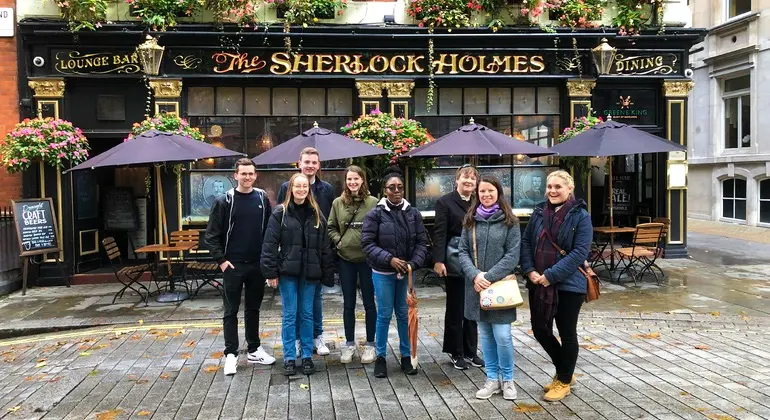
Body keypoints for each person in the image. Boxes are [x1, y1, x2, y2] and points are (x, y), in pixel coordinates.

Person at [520, 170, 592, 402]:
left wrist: (550, 275)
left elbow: (580, 252)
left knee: (567, 332)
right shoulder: (539, 212)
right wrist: (530, 270)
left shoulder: (580, 216)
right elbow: (526, 242)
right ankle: (566, 371)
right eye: (549, 186)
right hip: (538, 282)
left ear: (569, 189)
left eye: (558, 187)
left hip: (569, 284)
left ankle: (563, 380)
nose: (552, 190)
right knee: (540, 329)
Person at [203, 158, 276, 376]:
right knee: (231, 311)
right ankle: (231, 355)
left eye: (250, 173)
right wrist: (222, 261)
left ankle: (254, 349)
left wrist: (267, 261)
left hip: (256, 264)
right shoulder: (224, 200)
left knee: (253, 309)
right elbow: (211, 235)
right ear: (235, 176)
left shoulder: (262, 198)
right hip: (232, 265)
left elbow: (269, 233)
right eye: (243, 173)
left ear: (255, 175)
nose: (247, 177)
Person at [261, 173, 335, 376]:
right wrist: (270, 272)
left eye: (305, 186)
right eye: (297, 186)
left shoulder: (317, 214)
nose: (301, 190)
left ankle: (307, 357)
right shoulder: (280, 213)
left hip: (310, 273)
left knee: (307, 314)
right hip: (288, 273)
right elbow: (269, 245)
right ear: (290, 189)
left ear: (308, 190)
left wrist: (327, 274)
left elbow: (325, 247)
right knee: (290, 315)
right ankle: (289, 357)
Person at [361, 167, 428, 378]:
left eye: (400, 187)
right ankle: (380, 357)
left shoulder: (413, 213)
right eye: (392, 187)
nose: (396, 191)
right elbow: (367, 243)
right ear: (385, 190)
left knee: (403, 314)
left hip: (406, 273)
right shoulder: (375, 214)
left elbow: (422, 242)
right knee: (383, 314)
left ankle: (406, 356)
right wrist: (389, 259)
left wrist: (413, 264)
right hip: (382, 272)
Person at [458, 177, 521, 401]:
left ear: (498, 192)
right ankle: (492, 379)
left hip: (500, 288)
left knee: (503, 336)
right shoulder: (470, 220)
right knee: (485, 336)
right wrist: (475, 275)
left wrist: (489, 277)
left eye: (490, 191)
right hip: (476, 288)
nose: (486, 194)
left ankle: (508, 379)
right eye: (482, 191)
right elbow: (462, 251)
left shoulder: (510, 221)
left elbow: (512, 255)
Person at [277, 147, 336, 357]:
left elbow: (329, 221)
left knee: (315, 300)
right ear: (299, 164)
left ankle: (315, 336)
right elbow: (280, 223)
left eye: (314, 162)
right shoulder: (286, 187)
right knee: (293, 309)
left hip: (317, 254)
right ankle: (297, 343)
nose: (310, 165)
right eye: (306, 162)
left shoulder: (327, 189)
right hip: (293, 257)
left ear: (318, 165)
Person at [433, 164, 484, 370]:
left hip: (475, 259)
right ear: (457, 180)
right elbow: (439, 233)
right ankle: (456, 351)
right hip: (453, 257)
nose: (469, 181)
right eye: (465, 177)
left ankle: (471, 351)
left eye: (472, 179)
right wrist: (438, 260)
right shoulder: (444, 202)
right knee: (455, 307)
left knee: (473, 306)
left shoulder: (479, 201)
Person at [328, 165, 378, 364]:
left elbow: (380, 227)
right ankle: (349, 344)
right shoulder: (337, 203)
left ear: (362, 180)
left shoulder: (373, 202)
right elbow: (330, 226)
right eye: (349, 179)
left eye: (356, 179)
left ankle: (371, 345)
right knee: (348, 304)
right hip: (346, 259)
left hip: (367, 260)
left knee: (369, 303)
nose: (353, 182)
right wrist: (338, 240)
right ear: (345, 181)